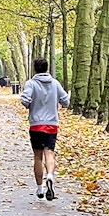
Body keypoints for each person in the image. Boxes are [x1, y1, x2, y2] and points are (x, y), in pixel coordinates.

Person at [20, 57, 69, 201]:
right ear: (47, 68)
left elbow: (25, 100)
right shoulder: (55, 83)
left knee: (37, 156)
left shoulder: (31, 84)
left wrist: (29, 104)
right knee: (50, 153)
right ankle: (50, 176)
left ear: (35, 68)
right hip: (52, 124)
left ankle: (40, 188)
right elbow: (66, 101)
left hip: (36, 124)